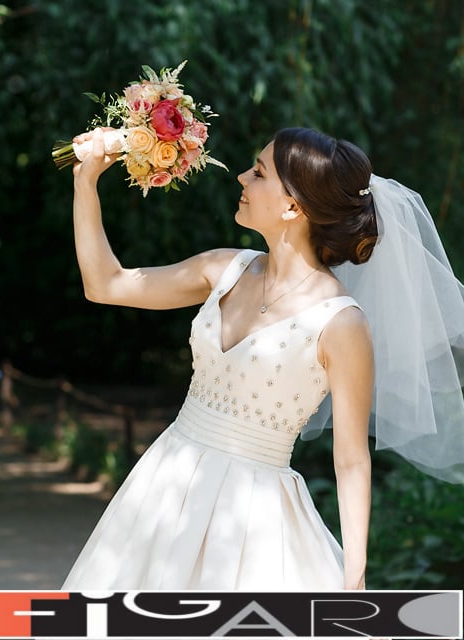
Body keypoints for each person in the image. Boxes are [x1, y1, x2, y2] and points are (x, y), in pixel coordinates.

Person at [61, 126, 463, 591]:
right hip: (164, 488)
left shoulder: (342, 324)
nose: (240, 178)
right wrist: (84, 181)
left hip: (254, 520)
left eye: (258, 172)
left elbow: (351, 460)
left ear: (293, 206)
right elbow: (105, 285)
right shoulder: (222, 269)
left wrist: (356, 574)